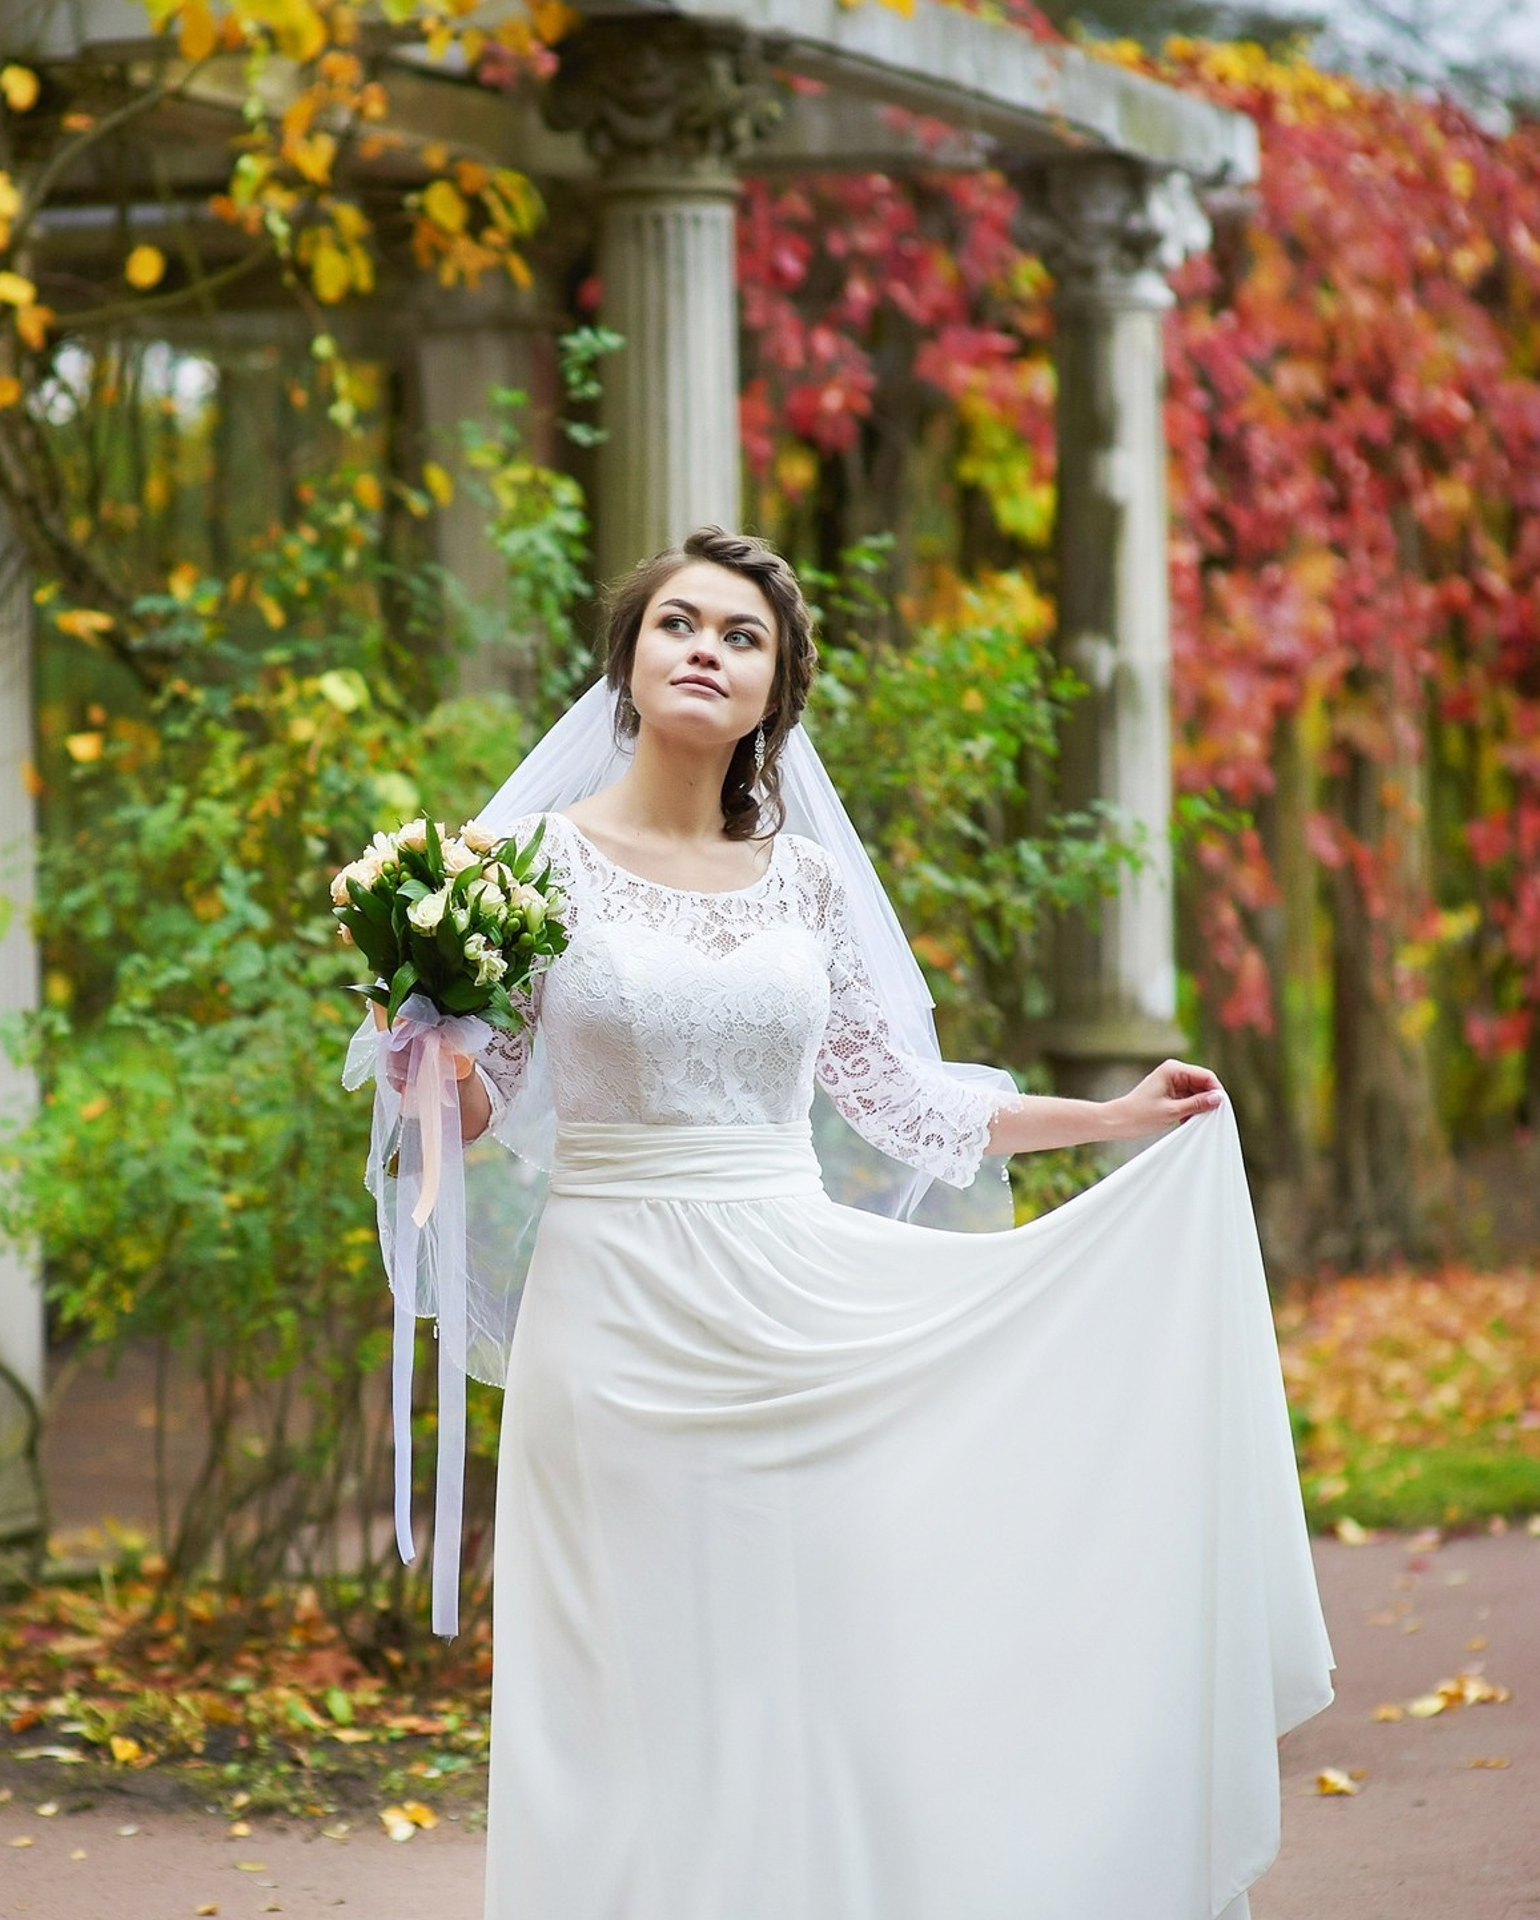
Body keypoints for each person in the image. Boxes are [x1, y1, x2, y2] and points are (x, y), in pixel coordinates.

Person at [354, 525, 1334, 1920]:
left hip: (793, 1300)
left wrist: (1117, 1118)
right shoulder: (528, 868)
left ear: (776, 689)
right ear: (629, 660)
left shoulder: (804, 883)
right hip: (613, 1317)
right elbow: (476, 1109)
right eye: (679, 623)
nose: (705, 649)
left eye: (740, 635)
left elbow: (904, 1100)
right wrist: (424, 1030)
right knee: (628, 1672)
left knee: (812, 1660)